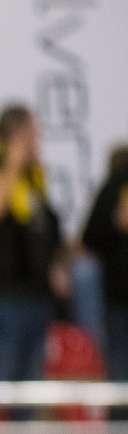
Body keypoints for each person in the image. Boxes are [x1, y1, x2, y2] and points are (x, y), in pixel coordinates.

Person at [0, 104, 64, 386]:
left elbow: (42, 227)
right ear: (17, 134)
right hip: (4, 296)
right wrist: (12, 164)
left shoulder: (33, 176)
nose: (37, 140)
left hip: (36, 294)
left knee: (30, 388)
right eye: (33, 133)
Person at [82, 146, 128, 385]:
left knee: (119, 367)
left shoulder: (110, 189)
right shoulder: (112, 191)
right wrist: (114, 224)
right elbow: (90, 237)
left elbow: (89, 238)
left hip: (116, 296)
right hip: (117, 296)